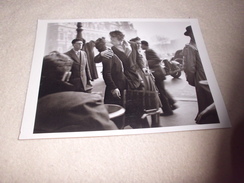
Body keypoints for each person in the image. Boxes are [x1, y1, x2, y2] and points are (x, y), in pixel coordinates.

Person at [95, 31, 161, 128]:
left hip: (135, 77)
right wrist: (101, 54)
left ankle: (141, 126)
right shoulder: (111, 50)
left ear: (119, 39)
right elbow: (96, 60)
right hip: (122, 79)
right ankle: (128, 124)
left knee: (138, 104)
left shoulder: (133, 45)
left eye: (113, 39)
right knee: (127, 104)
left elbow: (138, 57)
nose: (111, 41)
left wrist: (143, 68)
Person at [182, 26, 218, 124]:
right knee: (209, 103)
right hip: (203, 78)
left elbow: (189, 68)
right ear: (190, 34)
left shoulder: (196, 46)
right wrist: (193, 81)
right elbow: (189, 68)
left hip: (205, 78)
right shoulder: (191, 47)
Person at [141, 40, 177, 116]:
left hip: (157, 73)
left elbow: (157, 59)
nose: (140, 47)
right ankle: (172, 104)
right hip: (159, 73)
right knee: (162, 91)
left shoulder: (148, 51)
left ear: (144, 45)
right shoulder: (148, 51)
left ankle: (168, 111)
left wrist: (146, 63)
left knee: (160, 93)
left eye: (141, 45)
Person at [94, 37, 127, 106]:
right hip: (116, 86)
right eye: (108, 42)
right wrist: (113, 88)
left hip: (118, 85)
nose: (111, 42)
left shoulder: (110, 53)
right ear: (105, 45)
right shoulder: (108, 56)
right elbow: (106, 74)